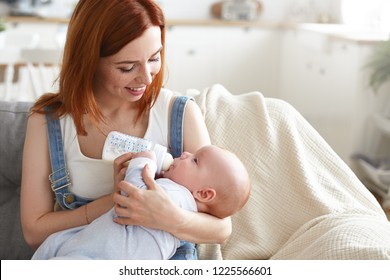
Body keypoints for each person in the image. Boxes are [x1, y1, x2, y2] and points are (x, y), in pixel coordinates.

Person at [20, 0, 232, 260]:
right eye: (127, 67)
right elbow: (33, 232)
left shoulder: (179, 113)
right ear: (89, 59)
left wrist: (169, 216)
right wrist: (120, 199)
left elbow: (221, 228)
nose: (146, 78)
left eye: (154, 58)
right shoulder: (48, 121)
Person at [32, 145, 251, 259]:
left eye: (195, 160)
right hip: (102, 250)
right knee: (56, 245)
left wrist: (143, 161)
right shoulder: (177, 194)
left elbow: (134, 193)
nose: (185, 153)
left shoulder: (177, 195)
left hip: (106, 257)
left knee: (56, 248)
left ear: (203, 194)